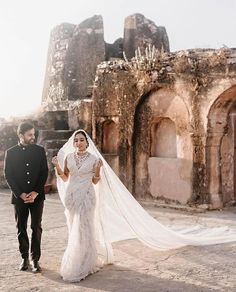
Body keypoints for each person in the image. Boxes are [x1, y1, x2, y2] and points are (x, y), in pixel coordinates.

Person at [53, 129, 236, 283]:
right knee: (73, 226)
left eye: (82, 140)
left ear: (87, 142)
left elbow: (95, 181)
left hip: (87, 195)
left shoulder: (94, 159)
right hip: (72, 196)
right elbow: (65, 177)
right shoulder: (69, 157)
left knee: (84, 227)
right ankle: (80, 257)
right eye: (76, 140)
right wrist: (57, 167)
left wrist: (99, 169)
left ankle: (83, 262)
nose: (78, 143)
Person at [4, 122, 48, 273]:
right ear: (21, 135)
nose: (33, 137)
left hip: (37, 197)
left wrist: (36, 192)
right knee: (21, 228)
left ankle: (35, 260)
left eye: (34, 134)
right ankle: (24, 258)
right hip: (19, 197)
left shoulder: (40, 151)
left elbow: (44, 172)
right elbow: (8, 175)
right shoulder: (11, 152)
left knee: (36, 227)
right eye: (30, 135)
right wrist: (20, 194)